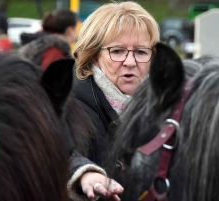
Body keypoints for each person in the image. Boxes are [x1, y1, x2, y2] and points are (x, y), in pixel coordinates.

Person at [66, 1, 160, 201]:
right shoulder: (71, 106)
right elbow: (61, 152)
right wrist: (84, 173)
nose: (130, 62)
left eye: (141, 52)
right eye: (117, 51)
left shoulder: (164, 106)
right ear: (93, 57)